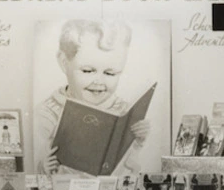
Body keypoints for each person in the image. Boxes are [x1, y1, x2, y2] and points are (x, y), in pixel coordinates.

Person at [36, 19, 150, 176]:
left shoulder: (124, 111)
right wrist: (44, 167)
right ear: (64, 62)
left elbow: (128, 165)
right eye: (88, 71)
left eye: (110, 73)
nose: (99, 81)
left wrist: (138, 140)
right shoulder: (47, 113)